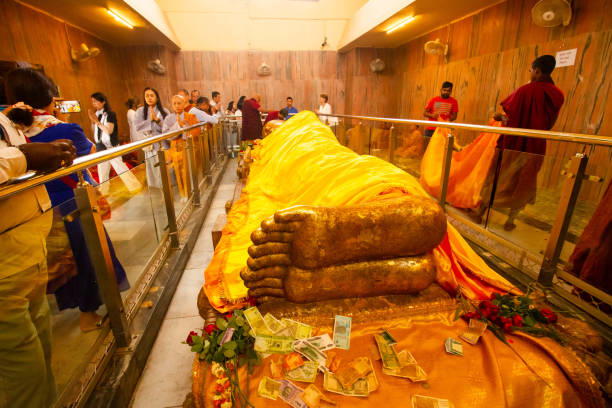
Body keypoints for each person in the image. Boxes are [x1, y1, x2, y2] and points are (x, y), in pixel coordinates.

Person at [5, 68, 130, 333]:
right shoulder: (63, 130)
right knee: (92, 257)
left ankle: (76, 314)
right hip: (75, 203)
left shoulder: (14, 132)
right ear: (51, 98)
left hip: (42, 208)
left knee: (66, 262)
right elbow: (89, 151)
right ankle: (96, 314)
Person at [0, 101, 76, 408]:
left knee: (41, 347)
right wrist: (24, 157)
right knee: (23, 365)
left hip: (28, 251)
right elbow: (15, 160)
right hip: (6, 265)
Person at [481, 55, 565, 230]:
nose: (531, 74)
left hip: (513, 144)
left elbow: (511, 121)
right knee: (525, 180)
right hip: (536, 145)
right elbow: (550, 124)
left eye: (531, 70)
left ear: (537, 70)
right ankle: (510, 221)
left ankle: (479, 213)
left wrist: (500, 117)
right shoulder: (557, 94)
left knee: (498, 176)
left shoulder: (523, 91)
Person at [88, 92, 141, 194]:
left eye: (96, 101)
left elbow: (109, 131)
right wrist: (93, 121)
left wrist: (97, 122)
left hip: (110, 146)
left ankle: (134, 186)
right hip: (100, 146)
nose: (93, 103)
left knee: (120, 167)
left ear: (103, 102)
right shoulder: (97, 115)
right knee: (102, 171)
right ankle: (104, 192)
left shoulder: (110, 114)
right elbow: (94, 131)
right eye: (92, 102)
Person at [163, 94, 200, 199]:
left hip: (189, 148)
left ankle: (194, 192)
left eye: (179, 103)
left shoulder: (191, 116)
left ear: (184, 104)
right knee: (179, 172)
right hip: (176, 149)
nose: (177, 106)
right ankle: (184, 194)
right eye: (174, 104)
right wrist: (178, 127)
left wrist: (184, 129)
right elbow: (165, 134)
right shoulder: (169, 118)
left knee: (191, 171)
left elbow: (197, 131)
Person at [133, 87, 170, 189]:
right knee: (153, 170)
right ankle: (157, 189)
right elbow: (137, 127)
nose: (149, 98)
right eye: (146, 96)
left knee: (165, 170)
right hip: (150, 146)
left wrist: (157, 120)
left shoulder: (164, 111)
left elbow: (170, 128)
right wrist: (149, 120)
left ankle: (168, 190)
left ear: (157, 98)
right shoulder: (140, 111)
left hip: (163, 145)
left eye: (152, 95)